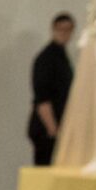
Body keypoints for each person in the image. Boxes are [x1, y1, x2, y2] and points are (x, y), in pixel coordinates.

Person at [28, 12, 76, 165]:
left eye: (68, 30)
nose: (64, 33)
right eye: (61, 29)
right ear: (53, 29)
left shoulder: (61, 57)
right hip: (47, 130)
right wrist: (53, 130)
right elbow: (42, 98)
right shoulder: (46, 59)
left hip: (57, 126)